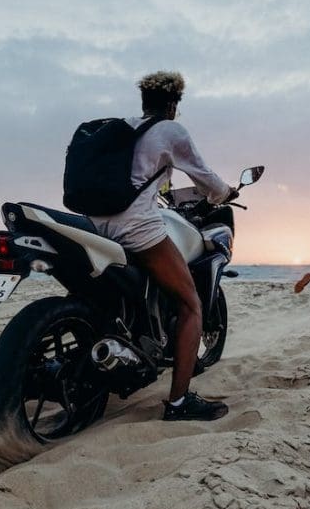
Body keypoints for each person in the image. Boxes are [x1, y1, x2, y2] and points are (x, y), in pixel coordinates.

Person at [89, 71, 234, 421]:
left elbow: (149, 182)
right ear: (172, 104)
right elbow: (205, 177)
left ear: (144, 102)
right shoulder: (170, 130)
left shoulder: (122, 128)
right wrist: (226, 193)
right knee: (191, 305)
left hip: (95, 224)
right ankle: (180, 402)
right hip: (137, 227)